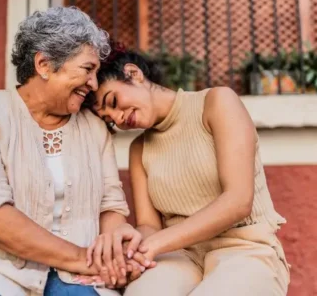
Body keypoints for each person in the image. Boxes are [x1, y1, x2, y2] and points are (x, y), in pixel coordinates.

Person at [0, 7, 148, 296]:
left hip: (74, 275)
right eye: (88, 69)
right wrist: (83, 259)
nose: (93, 83)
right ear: (44, 64)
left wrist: (116, 249)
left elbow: (110, 207)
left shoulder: (93, 128)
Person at [90, 48, 291, 295]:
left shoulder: (217, 102)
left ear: (133, 74)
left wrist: (152, 245)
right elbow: (149, 226)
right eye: (110, 120)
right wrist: (132, 252)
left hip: (246, 248)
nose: (119, 119)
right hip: (180, 256)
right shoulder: (139, 149)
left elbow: (238, 201)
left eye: (113, 102)